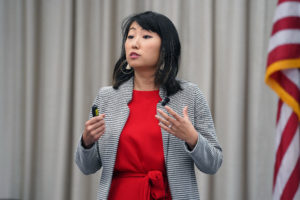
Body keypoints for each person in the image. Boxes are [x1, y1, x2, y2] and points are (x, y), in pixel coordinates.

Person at [75, 11, 223, 200]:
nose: (134, 43)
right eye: (130, 36)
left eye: (146, 36)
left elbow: (213, 163)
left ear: (165, 47)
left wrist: (192, 138)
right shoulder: (106, 97)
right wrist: (86, 142)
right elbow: (87, 167)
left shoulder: (190, 95)